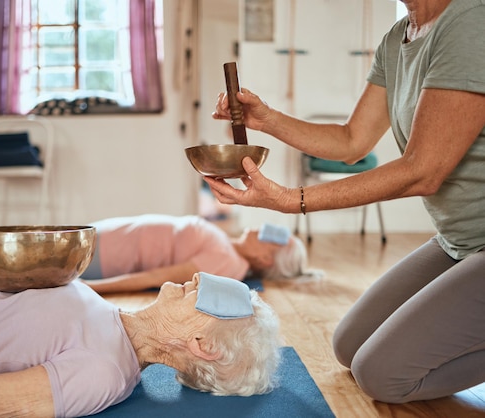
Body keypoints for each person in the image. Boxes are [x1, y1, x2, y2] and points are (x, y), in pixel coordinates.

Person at [205, 0, 485, 405]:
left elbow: (424, 170)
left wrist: (290, 199)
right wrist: (266, 119)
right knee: (349, 345)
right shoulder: (399, 37)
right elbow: (352, 141)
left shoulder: (471, 19)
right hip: (458, 240)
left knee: (382, 376)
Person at [0, 272, 281, 417]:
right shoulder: (107, 313)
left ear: (200, 343)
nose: (197, 279)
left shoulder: (103, 373)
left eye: (207, 296)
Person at [0, 215, 312, 294]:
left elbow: (157, 276)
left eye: (273, 236)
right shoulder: (227, 241)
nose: (262, 228)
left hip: (99, 261)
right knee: (0, 250)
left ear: (268, 259)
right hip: (100, 240)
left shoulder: (228, 264)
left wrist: (95, 286)